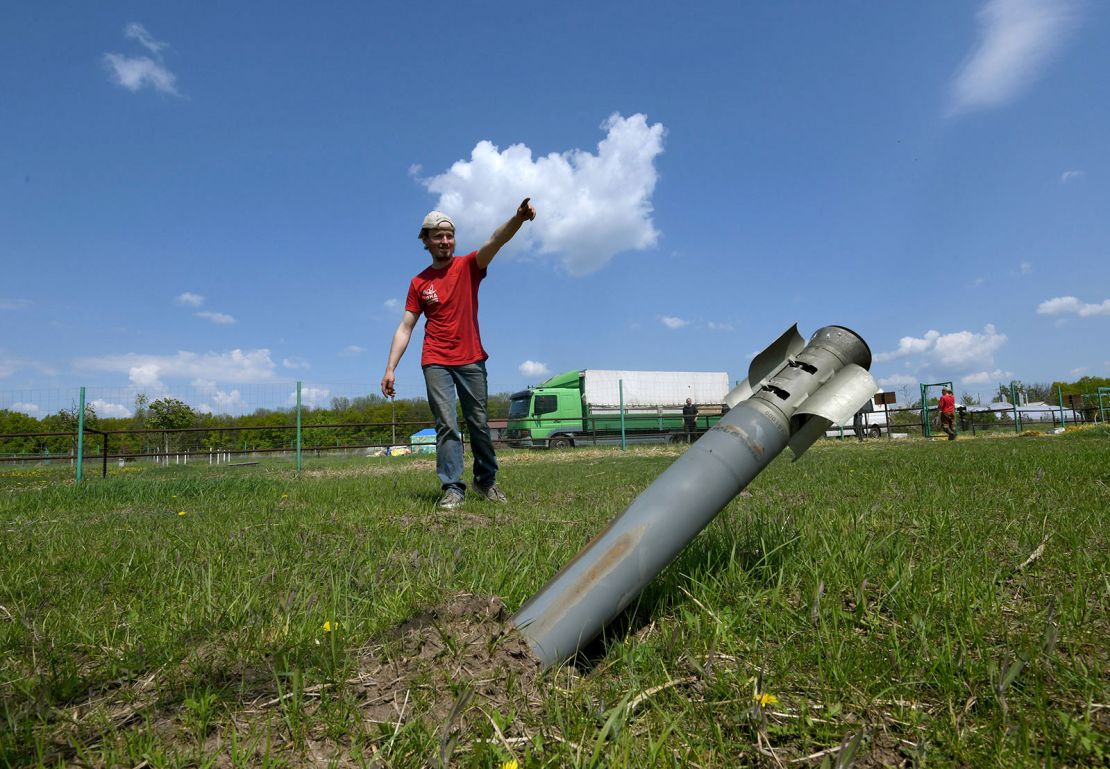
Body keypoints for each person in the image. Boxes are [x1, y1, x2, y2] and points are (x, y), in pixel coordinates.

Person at [381, 198, 536, 509]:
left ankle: (486, 481)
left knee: (478, 421)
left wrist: (518, 218)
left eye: (450, 234)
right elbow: (406, 326)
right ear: (425, 240)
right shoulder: (419, 282)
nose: (445, 240)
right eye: (438, 235)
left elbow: (496, 240)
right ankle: (453, 487)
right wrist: (390, 368)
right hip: (435, 359)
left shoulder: (469, 266)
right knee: (447, 424)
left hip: (471, 357)